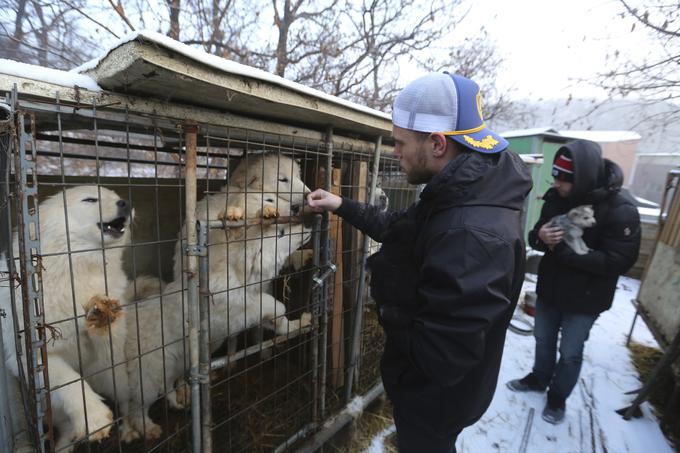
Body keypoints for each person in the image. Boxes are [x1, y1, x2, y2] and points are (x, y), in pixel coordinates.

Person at [307, 72, 532, 452]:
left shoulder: (471, 233)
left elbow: (442, 357)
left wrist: (386, 286)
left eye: (399, 143)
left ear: (438, 143)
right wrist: (341, 204)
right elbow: (399, 228)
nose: (395, 152)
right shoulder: (459, 195)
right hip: (435, 391)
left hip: (436, 401)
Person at [507, 139, 641, 424]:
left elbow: (619, 260)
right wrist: (540, 238)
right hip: (551, 289)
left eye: (564, 180)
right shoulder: (557, 198)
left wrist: (566, 253)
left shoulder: (620, 208)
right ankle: (538, 377)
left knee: (569, 352)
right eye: (555, 176)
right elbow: (534, 237)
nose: (556, 184)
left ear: (583, 178)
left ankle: (557, 398)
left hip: (586, 299)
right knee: (543, 339)